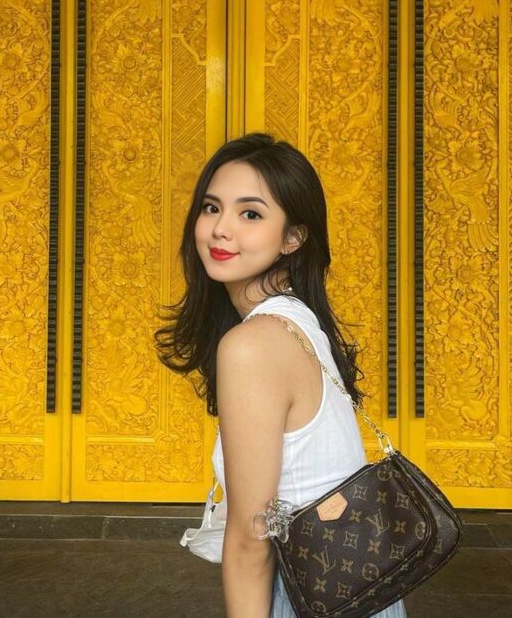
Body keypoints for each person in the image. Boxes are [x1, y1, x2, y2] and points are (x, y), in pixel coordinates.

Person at [156, 133, 407, 618]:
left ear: (293, 238)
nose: (220, 229)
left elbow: (253, 536)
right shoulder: (298, 319)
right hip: (355, 589)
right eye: (211, 208)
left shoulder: (252, 345)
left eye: (250, 214)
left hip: (306, 594)